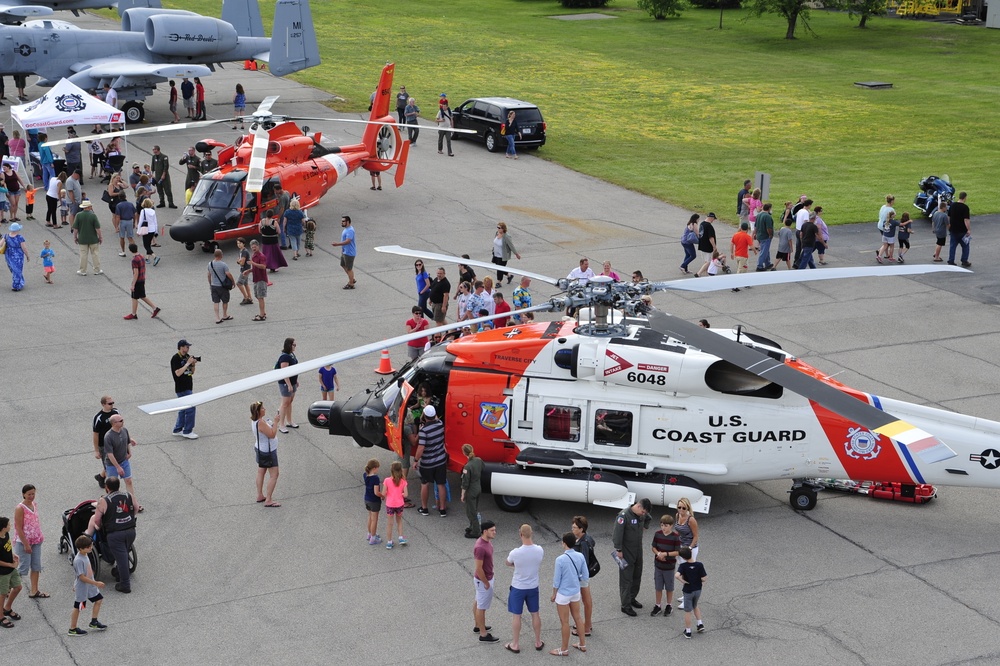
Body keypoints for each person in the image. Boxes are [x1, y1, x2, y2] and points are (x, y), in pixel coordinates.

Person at [86, 477, 136, 593]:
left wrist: (100, 527)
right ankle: (119, 571)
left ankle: (125, 584)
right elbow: (136, 508)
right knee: (124, 552)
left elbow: (97, 519)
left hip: (115, 534)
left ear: (107, 488)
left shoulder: (104, 500)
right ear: (118, 485)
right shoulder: (129, 495)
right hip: (130, 530)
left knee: (122, 557)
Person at [505, 524, 545, 654]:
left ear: (520, 534)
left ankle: (515, 644)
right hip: (533, 586)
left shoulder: (515, 552)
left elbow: (508, 562)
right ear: (532, 533)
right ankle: (538, 641)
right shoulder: (539, 550)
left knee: (517, 615)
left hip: (518, 587)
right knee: (535, 613)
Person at [550, 532, 587, 656]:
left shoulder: (560, 559)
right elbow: (585, 575)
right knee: (578, 617)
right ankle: (582, 644)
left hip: (563, 594)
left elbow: (556, 580)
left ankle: (564, 649)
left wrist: (554, 593)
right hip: (575, 592)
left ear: (564, 543)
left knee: (565, 622)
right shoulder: (580, 556)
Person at [613, 497, 651, 616]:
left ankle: (632, 598)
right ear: (638, 506)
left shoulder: (642, 515)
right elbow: (617, 534)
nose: (643, 515)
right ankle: (625, 605)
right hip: (626, 551)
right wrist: (618, 549)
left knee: (637, 575)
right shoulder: (623, 516)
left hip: (638, 550)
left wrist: (645, 526)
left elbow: (648, 518)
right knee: (626, 579)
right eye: (643, 512)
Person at [67, 535, 106, 636]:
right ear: (80, 548)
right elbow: (81, 577)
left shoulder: (85, 555)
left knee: (98, 599)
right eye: (88, 547)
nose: (90, 548)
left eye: (90, 545)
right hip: (83, 588)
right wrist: (96, 583)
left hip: (89, 586)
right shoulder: (78, 560)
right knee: (79, 607)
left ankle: (94, 621)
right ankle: (73, 628)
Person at [12, 485, 46, 599]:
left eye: (33, 494)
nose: (31, 496)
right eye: (29, 494)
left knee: (36, 566)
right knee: (22, 568)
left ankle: (34, 590)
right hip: (23, 542)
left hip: (36, 540)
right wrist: (26, 544)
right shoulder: (20, 508)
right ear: (23, 494)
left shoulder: (34, 505)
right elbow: (18, 528)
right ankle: (7, 589)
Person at [415, 404, 448, 518]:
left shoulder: (423, 431)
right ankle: (442, 509)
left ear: (424, 415)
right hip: (441, 460)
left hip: (427, 463)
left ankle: (424, 508)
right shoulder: (440, 424)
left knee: (425, 484)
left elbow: (421, 448)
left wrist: (415, 460)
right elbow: (437, 419)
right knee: (441, 484)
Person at [103, 414, 141, 512]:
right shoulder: (108, 436)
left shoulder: (124, 430)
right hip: (112, 465)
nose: (122, 421)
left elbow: (126, 442)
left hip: (124, 461)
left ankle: (133, 503)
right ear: (114, 423)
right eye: (120, 420)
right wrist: (118, 467)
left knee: (129, 481)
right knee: (111, 486)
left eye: (122, 420)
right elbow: (110, 454)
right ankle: (108, 505)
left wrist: (129, 452)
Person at [472, 520, 499, 643]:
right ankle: (483, 634)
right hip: (483, 580)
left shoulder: (487, 542)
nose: (495, 532)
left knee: (478, 602)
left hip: (484, 579)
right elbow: (478, 567)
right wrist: (486, 582)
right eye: (492, 530)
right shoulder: (480, 547)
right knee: (481, 607)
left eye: (494, 529)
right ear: (485, 531)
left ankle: (478, 625)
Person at [650, 513, 682, 617]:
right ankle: (658, 605)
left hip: (669, 567)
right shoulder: (657, 534)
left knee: (669, 587)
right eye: (662, 525)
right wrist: (658, 553)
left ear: (671, 525)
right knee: (658, 587)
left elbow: (677, 552)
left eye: (666, 525)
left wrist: (666, 554)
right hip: (658, 565)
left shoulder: (675, 537)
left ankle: (669, 605)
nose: (663, 528)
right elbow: (653, 547)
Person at [251, 401, 281, 507]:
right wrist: (276, 422)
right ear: (258, 412)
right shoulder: (261, 423)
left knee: (261, 472)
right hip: (268, 452)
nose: (265, 409)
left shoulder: (256, 421)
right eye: (262, 408)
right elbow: (272, 435)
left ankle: (260, 495)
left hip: (259, 448)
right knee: (274, 475)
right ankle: (268, 499)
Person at [570, 516, 595, 638]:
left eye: (575, 527)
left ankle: (586, 627)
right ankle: (587, 624)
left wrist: (578, 577)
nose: (572, 529)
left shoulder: (583, 543)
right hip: (583, 575)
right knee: (586, 600)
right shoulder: (586, 538)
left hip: (581, 576)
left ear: (581, 529)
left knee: (586, 600)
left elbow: (583, 561)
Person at [673, 496, 700, 608]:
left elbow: (696, 536)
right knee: (683, 572)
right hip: (681, 547)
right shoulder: (677, 516)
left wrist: (689, 548)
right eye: (679, 507)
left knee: (689, 573)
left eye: (684, 508)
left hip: (690, 549)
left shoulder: (691, 520)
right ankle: (685, 595)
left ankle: (688, 599)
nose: (681, 510)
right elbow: (678, 532)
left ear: (687, 508)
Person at [675, 546, 707, 638]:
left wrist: (683, 581)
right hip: (698, 590)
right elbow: (704, 578)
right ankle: (700, 623)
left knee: (688, 611)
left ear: (683, 557)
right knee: (695, 605)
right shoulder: (699, 565)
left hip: (688, 591)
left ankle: (688, 631)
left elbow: (677, 575)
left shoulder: (683, 566)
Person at [123, 243, 160, 320]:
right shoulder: (141, 256)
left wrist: (133, 284)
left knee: (137, 296)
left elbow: (136, 273)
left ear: (130, 250)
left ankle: (134, 314)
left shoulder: (134, 260)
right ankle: (153, 308)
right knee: (139, 296)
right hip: (142, 279)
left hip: (138, 281)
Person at [170, 340, 199, 439]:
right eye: (186, 347)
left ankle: (177, 429)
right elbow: (177, 373)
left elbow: (192, 372)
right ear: (181, 347)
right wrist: (187, 364)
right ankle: (187, 431)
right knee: (191, 408)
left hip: (188, 385)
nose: (188, 349)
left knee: (182, 409)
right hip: (181, 388)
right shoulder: (175, 358)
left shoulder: (187, 357)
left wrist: (193, 364)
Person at [1, 516, 24, 628]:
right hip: (3, 572)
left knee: (18, 587)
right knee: (2, 594)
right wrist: (10, 564)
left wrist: (13, 556)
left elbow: (8, 548)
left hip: (11, 568)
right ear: (3, 527)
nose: (10, 526)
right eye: (9, 525)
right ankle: (0, 617)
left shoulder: (6, 535)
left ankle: (7, 608)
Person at [92, 396, 118, 489]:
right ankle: (111, 488)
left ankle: (100, 476)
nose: (112, 405)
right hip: (104, 446)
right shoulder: (99, 417)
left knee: (115, 462)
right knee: (109, 467)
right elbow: (95, 434)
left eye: (113, 403)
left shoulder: (115, 412)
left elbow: (120, 426)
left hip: (115, 443)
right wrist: (96, 450)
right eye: (109, 403)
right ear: (103, 404)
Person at [381, 461, 408, 549]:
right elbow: (406, 494)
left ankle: (389, 542)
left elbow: (384, 493)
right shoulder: (403, 481)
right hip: (399, 504)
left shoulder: (387, 480)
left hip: (390, 504)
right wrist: (401, 495)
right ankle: (401, 538)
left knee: (390, 523)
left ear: (391, 470)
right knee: (399, 521)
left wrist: (383, 496)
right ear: (401, 470)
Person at [275, 338, 300, 433]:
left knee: (290, 402)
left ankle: (289, 421)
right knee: (285, 403)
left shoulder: (291, 354)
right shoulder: (284, 357)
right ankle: (281, 425)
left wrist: (296, 380)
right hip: (285, 383)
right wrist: (289, 384)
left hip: (293, 382)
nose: (295, 347)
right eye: (294, 345)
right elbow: (284, 372)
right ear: (289, 345)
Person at [461, 444, 483, 538]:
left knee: (471, 512)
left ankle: (476, 531)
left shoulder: (467, 466)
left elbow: (465, 483)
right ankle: (473, 526)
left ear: (464, 453)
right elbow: (483, 468)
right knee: (475, 509)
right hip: (478, 487)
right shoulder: (479, 460)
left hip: (471, 490)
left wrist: (462, 494)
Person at [207, 248, 235, 324]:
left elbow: (209, 275)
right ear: (221, 255)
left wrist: (210, 283)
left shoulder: (210, 264)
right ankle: (225, 315)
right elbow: (228, 274)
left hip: (214, 286)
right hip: (222, 286)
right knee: (225, 301)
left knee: (216, 302)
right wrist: (233, 281)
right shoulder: (223, 264)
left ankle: (217, 318)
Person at [332, 215, 356, 289]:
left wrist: (337, 244)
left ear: (348, 222)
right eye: (342, 221)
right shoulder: (346, 229)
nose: (342, 222)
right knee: (342, 264)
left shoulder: (350, 230)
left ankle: (351, 284)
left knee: (349, 268)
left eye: (343, 221)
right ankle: (352, 279)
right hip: (345, 251)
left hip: (349, 252)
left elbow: (348, 241)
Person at [947, 191, 971, 267]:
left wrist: (949, 225)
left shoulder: (952, 206)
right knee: (965, 246)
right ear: (965, 197)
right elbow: (966, 220)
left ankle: (951, 260)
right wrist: (969, 229)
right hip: (962, 230)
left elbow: (949, 217)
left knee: (952, 246)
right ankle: (964, 260)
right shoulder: (965, 207)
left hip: (953, 229)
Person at [362, 459, 383, 545]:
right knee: (375, 519)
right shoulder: (375, 478)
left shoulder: (365, 475)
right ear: (374, 468)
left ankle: (369, 533)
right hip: (374, 501)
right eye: (377, 468)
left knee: (370, 517)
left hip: (367, 499)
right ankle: (373, 538)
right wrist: (383, 495)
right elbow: (376, 492)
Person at [3, 222, 28, 291]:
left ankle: (20, 281)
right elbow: (24, 248)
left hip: (8, 254)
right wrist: (27, 255)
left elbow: (1, 244)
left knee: (14, 269)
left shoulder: (6, 236)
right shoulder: (20, 238)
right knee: (18, 269)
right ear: (17, 230)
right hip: (18, 255)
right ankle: (16, 285)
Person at [248, 240, 268, 321]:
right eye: (252, 247)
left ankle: (262, 315)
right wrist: (249, 271)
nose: (253, 248)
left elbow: (263, 266)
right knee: (257, 296)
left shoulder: (261, 256)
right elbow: (255, 267)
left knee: (260, 297)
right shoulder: (253, 256)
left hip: (261, 279)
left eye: (255, 247)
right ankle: (263, 312)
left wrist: (253, 263)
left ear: (258, 246)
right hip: (256, 278)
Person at [136, 199, 159, 266]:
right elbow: (155, 222)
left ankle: (155, 256)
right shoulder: (153, 211)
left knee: (146, 245)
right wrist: (156, 230)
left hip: (146, 229)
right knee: (148, 244)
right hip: (152, 229)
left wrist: (138, 231)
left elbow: (140, 221)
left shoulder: (143, 211)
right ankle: (147, 258)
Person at [694, 213, 718, 277]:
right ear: (711, 218)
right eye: (713, 219)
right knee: (708, 262)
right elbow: (711, 238)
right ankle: (698, 273)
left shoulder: (702, 224)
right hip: (707, 246)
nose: (713, 220)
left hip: (702, 245)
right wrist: (714, 246)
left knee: (705, 261)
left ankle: (706, 274)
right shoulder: (709, 226)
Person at [793, 198, 813, 267]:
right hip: (803, 232)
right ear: (809, 205)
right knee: (805, 248)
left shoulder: (800, 211)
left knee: (798, 248)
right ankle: (799, 262)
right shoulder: (805, 213)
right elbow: (806, 223)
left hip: (797, 230)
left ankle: (796, 260)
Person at [755, 203, 775, 271]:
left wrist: (755, 233)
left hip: (759, 235)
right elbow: (769, 228)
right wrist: (770, 235)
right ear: (769, 208)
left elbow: (756, 226)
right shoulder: (767, 217)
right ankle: (759, 266)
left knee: (766, 250)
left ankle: (767, 263)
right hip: (765, 236)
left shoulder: (759, 215)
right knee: (763, 251)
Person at [234, 237, 253, 305]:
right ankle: (250, 297)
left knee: (239, 283)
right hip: (245, 269)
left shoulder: (244, 252)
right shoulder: (242, 251)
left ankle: (246, 298)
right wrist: (239, 261)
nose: (239, 245)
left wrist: (238, 261)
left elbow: (242, 262)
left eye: (240, 243)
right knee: (245, 284)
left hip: (245, 270)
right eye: (238, 243)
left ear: (243, 244)